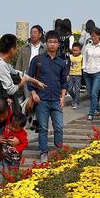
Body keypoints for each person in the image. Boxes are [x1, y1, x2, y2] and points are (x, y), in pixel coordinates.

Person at [28, 30, 69, 162]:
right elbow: (30, 78)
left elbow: (64, 82)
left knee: (59, 127)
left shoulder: (61, 62)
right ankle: (44, 152)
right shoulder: (37, 59)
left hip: (56, 99)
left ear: (58, 44)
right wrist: (33, 93)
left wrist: (63, 97)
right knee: (43, 128)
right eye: (50, 42)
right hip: (42, 99)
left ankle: (59, 150)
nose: (52, 44)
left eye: (55, 42)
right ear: (46, 43)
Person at [83, 28, 100, 121]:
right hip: (88, 71)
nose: (94, 37)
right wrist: (84, 68)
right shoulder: (88, 46)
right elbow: (85, 57)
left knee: (94, 93)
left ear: (99, 36)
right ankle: (98, 109)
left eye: (95, 35)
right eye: (92, 35)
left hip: (98, 72)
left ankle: (91, 113)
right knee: (89, 94)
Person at [68, 42, 83, 109]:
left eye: (76, 50)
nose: (75, 52)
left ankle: (76, 102)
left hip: (78, 75)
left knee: (77, 89)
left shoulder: (81, 57)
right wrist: (67, 74)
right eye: (73, 50)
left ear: (79, 51)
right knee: (69, 89)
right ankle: (74, 98)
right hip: (71, 75)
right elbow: (68, 66)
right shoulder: (70, 57)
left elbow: (83, 66)